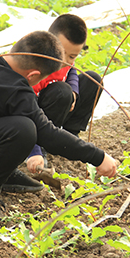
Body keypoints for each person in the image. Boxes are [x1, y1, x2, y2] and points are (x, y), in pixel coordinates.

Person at [0, 30, 118, 220]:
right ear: (33, 75)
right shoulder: (15, 90)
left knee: (9, 120)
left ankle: (2, 173)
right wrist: (98, 157)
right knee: (24, 129)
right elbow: (48, 134)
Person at [26, 14, 103, 173]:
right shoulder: (33, 66)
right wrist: (33, 150)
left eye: (72, 56)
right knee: (62, 91)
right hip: (35, 121)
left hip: (58, 110)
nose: (65, 60)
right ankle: (43, 143)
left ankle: (69, 137)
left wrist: (75, 90)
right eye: (62, 53)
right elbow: (24, 110)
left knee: (93, 80)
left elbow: (71, 71)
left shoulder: (65, 62)